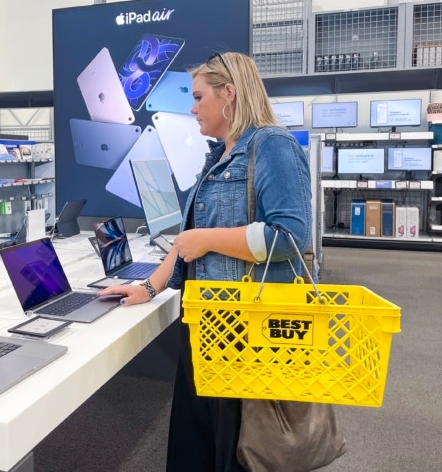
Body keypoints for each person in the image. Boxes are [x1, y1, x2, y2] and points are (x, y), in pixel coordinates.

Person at [98, 51, 313, 471]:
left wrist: (206, 238)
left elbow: (289, 235)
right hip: (208, 322)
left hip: (248, 330)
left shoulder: (272, 145)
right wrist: (147, 287)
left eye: (199, 97)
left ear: (228, 94)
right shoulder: (217, 156)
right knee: (197, 443)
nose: (193, 109)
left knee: (238, 447)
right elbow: (187, 243)